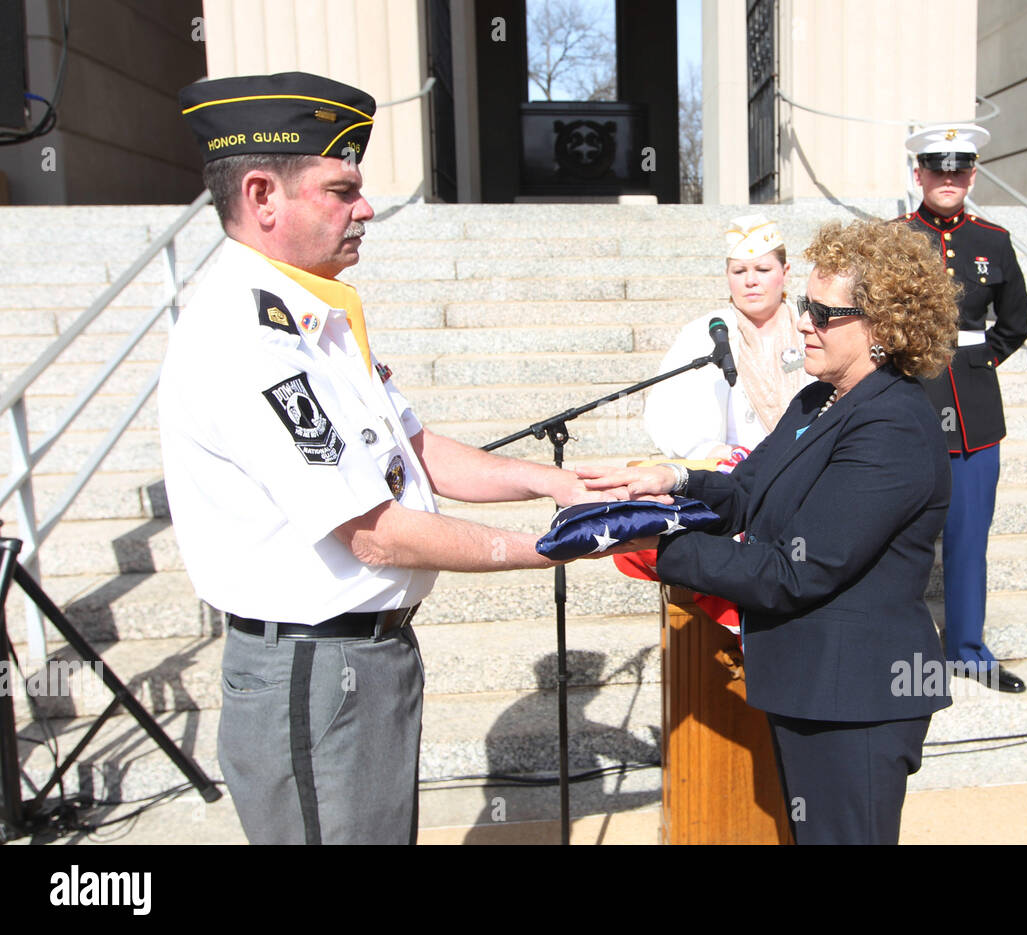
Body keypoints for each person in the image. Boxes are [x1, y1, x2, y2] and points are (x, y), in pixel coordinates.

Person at [162, 72, 619, 844]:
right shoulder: (247, 339)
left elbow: (420, 451)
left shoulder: (314, 318)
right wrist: (546, 547)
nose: (366, 208)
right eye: (342, 190)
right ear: (263, 194)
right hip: (313, 672)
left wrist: (561, 483)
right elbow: (372, 531)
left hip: (363, 661)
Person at [583, 218, 958, 845]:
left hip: (856, 697)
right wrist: (669, 482)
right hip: (811, 683)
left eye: (824, 312)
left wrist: (659, 547)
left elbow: (799, 571)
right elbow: (747, 491)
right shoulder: (821, 400)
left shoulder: (892, 423)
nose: (803, 321)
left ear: (883, 327)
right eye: (806, 304)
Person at [901, 124, 1027, 693]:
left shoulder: (994, 240)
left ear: (971, 176)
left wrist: (979, 365)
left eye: (958, 171)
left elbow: (1016, 321)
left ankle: (967, 649)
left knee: (968, 538)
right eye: (937, 170)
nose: (948, 180)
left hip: (974, 414)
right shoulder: (893, 240)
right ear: (919, 175)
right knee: (894, 536)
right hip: (906, 408)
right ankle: (896, 645)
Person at [644, 214, 812, 463]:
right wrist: (711, 452)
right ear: (727, 274)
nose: (750, 281)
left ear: (785, 272)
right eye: (739, 271)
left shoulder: (808, 326)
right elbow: (666, 409)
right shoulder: (705, 332)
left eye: (763, 270)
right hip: (737, 473)